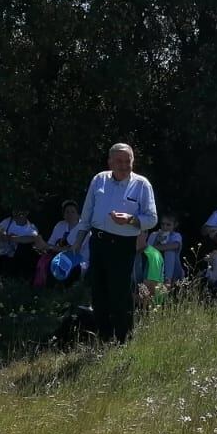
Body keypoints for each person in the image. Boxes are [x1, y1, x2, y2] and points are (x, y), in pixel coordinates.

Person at [77, 143, 158, 343]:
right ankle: (104, 337)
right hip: (98, 241)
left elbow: (152, 218)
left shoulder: (141, 184)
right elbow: (86, 214)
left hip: (123, 244)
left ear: (133, 161)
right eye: (119, 161)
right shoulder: (99, 180)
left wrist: (130, 219)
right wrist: (77, 242)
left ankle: (124, 339)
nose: (123, 165)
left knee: (120, 293)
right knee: (98, 291)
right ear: (110, 162)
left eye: (127, 161)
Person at [42, 201, 89, 284]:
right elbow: (50, 243)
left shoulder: (83, 229)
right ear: (63, 215)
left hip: (78, 260)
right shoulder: (59, 225)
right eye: (67, 212)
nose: (69, 214)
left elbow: (73, 250)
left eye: (72, 212)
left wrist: (53, 248)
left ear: (78, 214)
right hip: (59, 256)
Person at [0, 207, 42, 277]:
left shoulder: (31, 228)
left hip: (19, 261)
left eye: (19, 212)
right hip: (4, 256)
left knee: (23, 248)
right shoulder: (8, 221)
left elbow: (34, 238)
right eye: (15, 211)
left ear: (26, 213)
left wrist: (11, 238)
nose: (16, 214)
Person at [151, 213, 184, 283]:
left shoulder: (176, 235)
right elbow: (149, 251)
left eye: (168, 225)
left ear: (175, 225)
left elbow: (174, 246)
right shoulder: (155, 234)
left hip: (174, 269)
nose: (165, 227)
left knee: (170, 252)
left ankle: (168, 281)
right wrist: (157, 240)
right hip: (157, 269)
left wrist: (156, 247)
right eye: (163, 224)